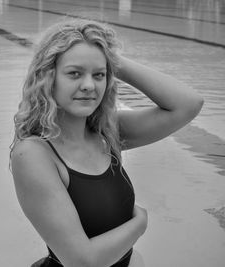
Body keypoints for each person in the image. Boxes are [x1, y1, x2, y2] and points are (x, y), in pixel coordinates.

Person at [10, 19, 203, 267]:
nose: (89, 85)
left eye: (99, 75)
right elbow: (82, 262)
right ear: (48, 77)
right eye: (74, 73)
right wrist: (139, 224)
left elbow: (188, 104)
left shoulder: (106, 132)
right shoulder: (34, 154)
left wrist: (107, 56)